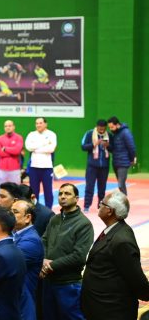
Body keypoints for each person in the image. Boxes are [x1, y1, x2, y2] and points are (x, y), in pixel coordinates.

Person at [81, 191, 149, 319]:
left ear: (109, 211)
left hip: (112, 311)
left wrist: (146, 294)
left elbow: (135, 278)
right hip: (100, 307)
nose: (99, 205)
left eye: (102, 203)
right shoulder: (114, 230)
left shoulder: (122, 240)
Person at [40, 183, 93, 320]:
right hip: (49, 282)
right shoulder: (55, 219)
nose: (63, 196)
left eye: (67, 194)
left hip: (68, 283)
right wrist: (43, 260)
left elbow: (79, 256)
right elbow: (44, 241)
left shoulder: (84, 224)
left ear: (76, 198)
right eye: (60, 193)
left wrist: (50, 266)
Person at [11, 199, 44, 320]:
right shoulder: (15, 234)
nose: (10, 215)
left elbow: (7, 263)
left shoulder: (31, 241)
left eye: (15, 212)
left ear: (27, 218)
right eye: (10, 212)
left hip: (22, 305)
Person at [24, 117, 56, 208]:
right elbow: (28, 147)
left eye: (40, 123)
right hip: (34, 167)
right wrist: (44, 143)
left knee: (48, 191)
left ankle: (49, 210)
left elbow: (51, 149)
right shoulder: (31, 134)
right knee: (34, 192)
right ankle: (35, 210)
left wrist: (36, 148)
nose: (38, 125)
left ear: (45, 124)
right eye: (37, 123)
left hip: (47, 168)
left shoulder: (51, 134)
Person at [81, 119, 111, 212]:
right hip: (92, 165)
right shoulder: (89, 134)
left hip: (104, 166)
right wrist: (94, 144)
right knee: (89, 186)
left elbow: (113, 148)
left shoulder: (109, 135)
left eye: (103, 128)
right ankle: (86, 206)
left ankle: (101, 205)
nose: (102, 130)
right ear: (97, 126)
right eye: (100, 128)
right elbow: (83, 146)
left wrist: (108, 145)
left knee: (102, 188)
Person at [106, 116, 136, 195]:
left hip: (123, 163)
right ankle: (123, 199)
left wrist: (132, 159)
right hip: (116, 162)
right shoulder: (115, 134)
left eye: (112, 127)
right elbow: (113, 149)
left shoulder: (126, 132)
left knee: (121, 184)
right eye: (109, 127)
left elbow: (131, 146)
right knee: (121, 185)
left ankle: (124, 200)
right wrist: (107, 146)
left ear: (117, 124)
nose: (111, 129)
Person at [0, 120, 24, 185]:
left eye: (9, 126)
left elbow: (17, 151)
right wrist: (12, 152)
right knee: (2, 189)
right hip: (2, 170)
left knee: (16, 189)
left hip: (15, 169)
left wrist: (5, 149)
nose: (8, 127)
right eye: (6, 126)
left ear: (13, 127)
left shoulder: (19, 138)